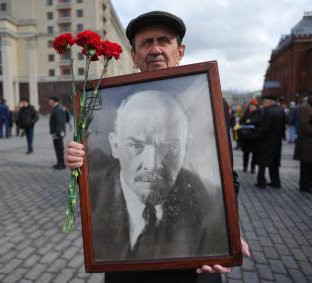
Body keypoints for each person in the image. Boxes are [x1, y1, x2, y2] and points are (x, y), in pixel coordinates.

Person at [65, 10, 249, 283]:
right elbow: (87, 178)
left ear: (180, 50)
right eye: (146, 42)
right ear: (134, 55)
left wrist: (226, 231)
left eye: (164, 40)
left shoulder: (209, 100)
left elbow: (227, 178)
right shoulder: (104, 100)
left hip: (193, 272)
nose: (155, 49)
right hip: (125, 273)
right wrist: (77, 161)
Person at [91, 90, 228, 262]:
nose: (153, 165)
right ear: (115, 145)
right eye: (135, 146)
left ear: (186, 148)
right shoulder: (92, 192)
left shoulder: (211, 206)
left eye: (171, 148)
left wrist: (229, 243)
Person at [254, 94, 286, 189]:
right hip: (277, 141)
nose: (263, 103)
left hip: (266, 142)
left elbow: (265, 129)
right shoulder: (281, 110)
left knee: (262, 163)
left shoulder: (267, 111)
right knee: (274, 163)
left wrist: (256, 134)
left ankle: (261, 182)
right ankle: (276, 182)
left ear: (269, 102)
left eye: (264, 101)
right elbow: (284, 125)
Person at [239, 99, 260, 173]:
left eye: (253, 106)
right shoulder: (246, 112)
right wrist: (245, 123)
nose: (251, 107)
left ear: (256, 106)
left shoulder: (259, 113)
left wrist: (250, 121)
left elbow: (259, 122)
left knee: (255, 154)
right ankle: (245, 166)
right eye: (251, 105)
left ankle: (253, 168)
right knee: (246, 153)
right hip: (246, 136)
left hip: (255, 137)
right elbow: (240, 122)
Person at [49, 96, 66, 169]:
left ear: (54, 101)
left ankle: (62, 165)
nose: (49, 102)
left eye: (50, 100)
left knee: (59, 149)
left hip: (58, 132)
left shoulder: (58, 109)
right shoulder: (55, 109)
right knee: (57, 148)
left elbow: (60, 122)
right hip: (55, 132)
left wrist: (58, 133)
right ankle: (59, 163)